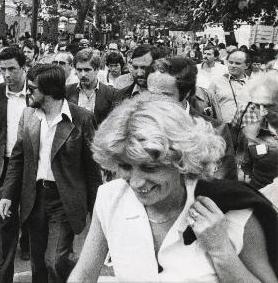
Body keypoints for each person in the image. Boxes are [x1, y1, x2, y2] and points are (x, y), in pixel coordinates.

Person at [68, 99, 278, 282]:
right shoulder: (111, 197)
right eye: (124, 166)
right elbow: (84, 275)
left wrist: (221, 250)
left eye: (150, 168)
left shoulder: (233, 210)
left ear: (182, 161)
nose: (136, 183)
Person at [0, 64, 102, 283]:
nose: (28, 92)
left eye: (33, 88)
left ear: (50, 90)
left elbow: (93, 170)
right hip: (34, 198)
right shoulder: (28, 116)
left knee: (55, 260)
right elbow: (18, 160)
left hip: (65, 201)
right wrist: (7, 194)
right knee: (38, 262)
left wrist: (97, 211)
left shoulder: (81, 118)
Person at [0, 47, 31, 282]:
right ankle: (1, 278)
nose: (7, 74)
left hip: (33, 167)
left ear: (24, 68)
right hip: (4, 166)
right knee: (6, 224)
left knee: (33, 220)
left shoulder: (37, 92)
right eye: (3, 69)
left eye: (12, 68)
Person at [147, 56, 237, 179]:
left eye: (165, 95)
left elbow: (224, 183)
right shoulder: (138, 123)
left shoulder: (216, 130)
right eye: (151, 94)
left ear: (187, 93)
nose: (154, 101)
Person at [240, 72, 278, 189]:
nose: (262, 112)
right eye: (257, 106)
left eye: (268, 106)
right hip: (262, 198)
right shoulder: (248, 133)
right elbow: (244, 168)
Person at [66, 49, 117, 126]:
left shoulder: (111, 94)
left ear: (97, 70)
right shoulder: (66, 91)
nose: (83, 74)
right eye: (79, 70)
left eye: (87, 70)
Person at [208, 50, 250, 123]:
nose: (233, 66)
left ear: (247, 65)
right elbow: (207, 104)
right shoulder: (216, 82)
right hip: (223, 129)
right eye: (230, 62)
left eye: (238, 63)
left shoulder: (253, 84)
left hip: (247, 129)